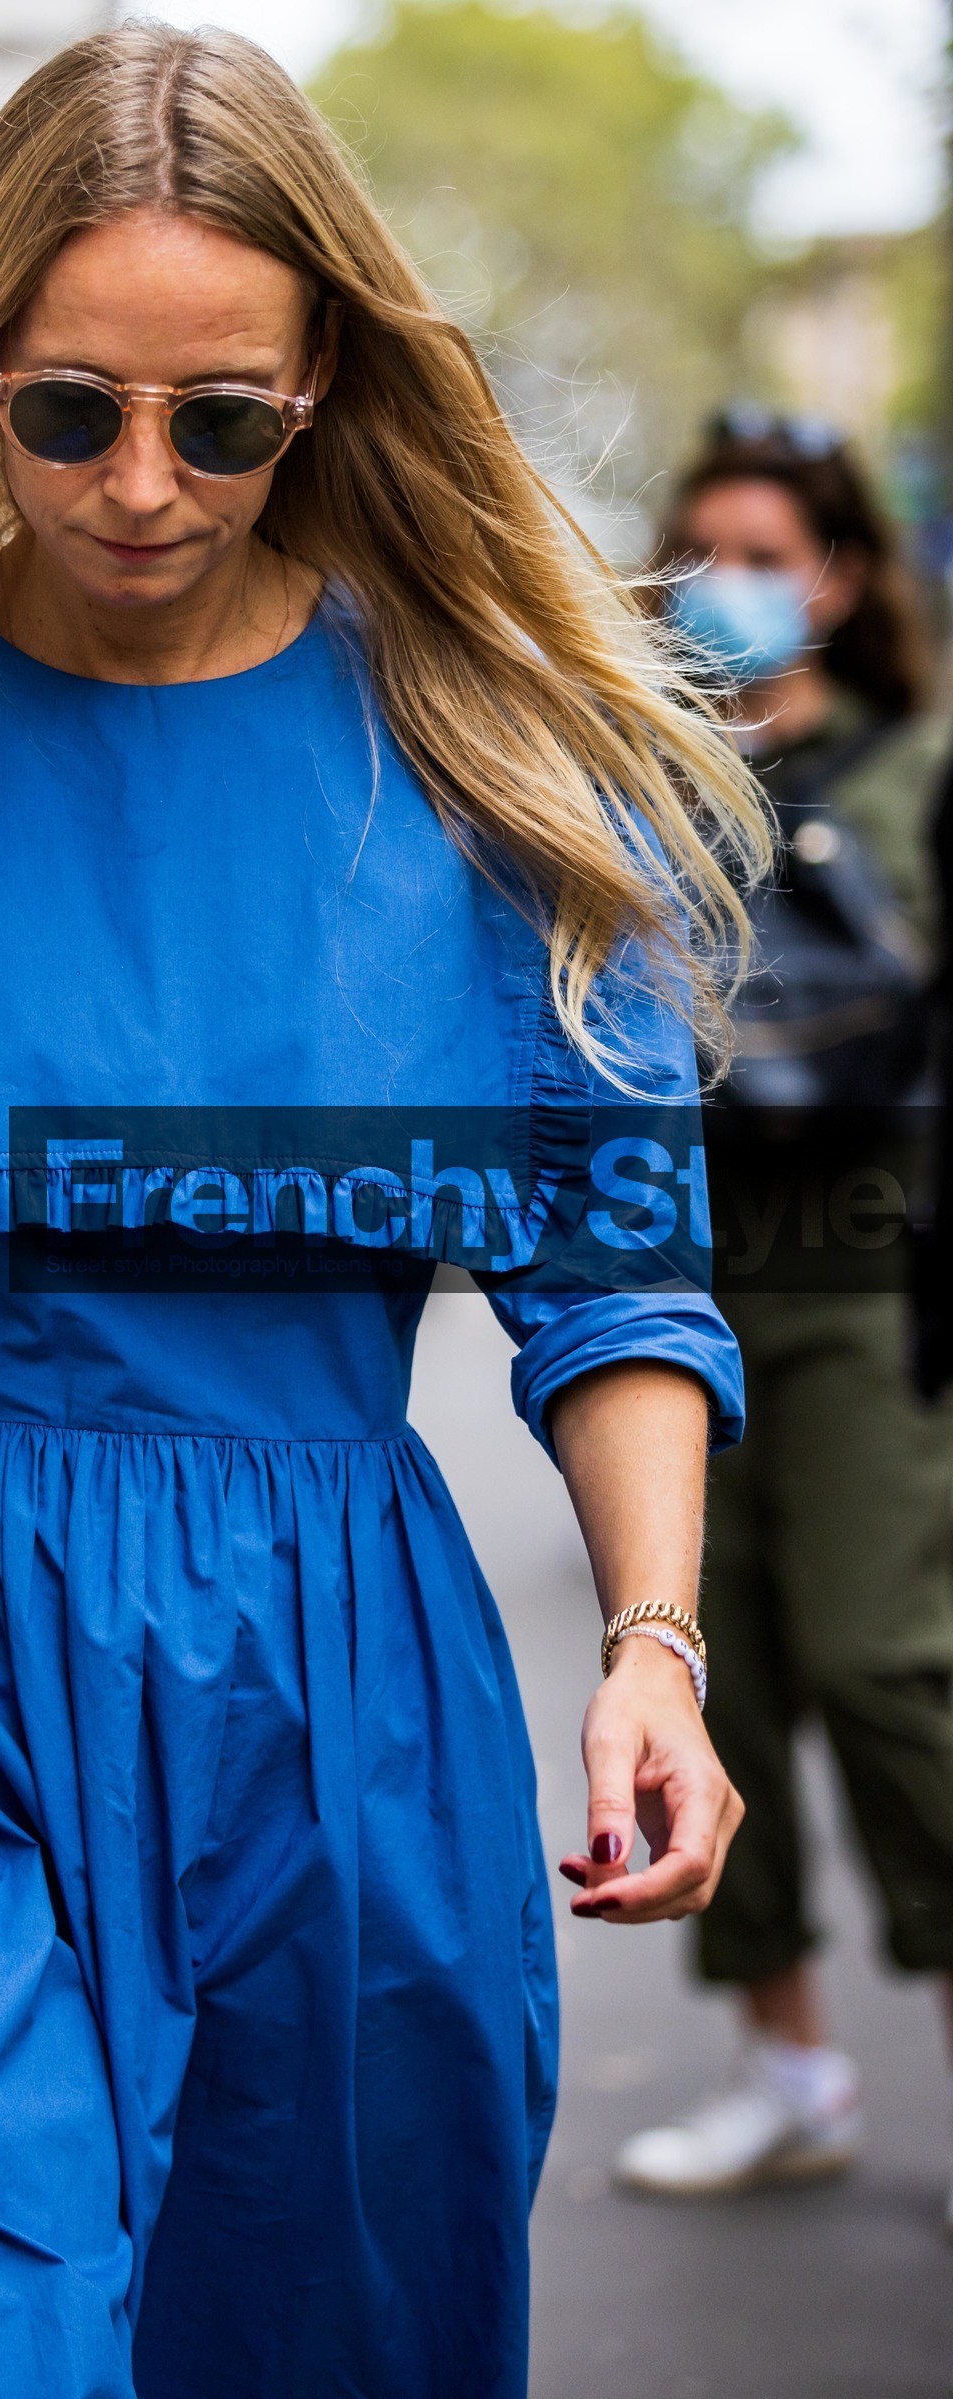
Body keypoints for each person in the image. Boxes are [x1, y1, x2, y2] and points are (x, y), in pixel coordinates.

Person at [0, 29, 762, 2397]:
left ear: (321, 394)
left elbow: (610, 1277)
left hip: (344, 1684)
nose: (137, 482)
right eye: (65, 408)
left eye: (218, 419)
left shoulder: (490, 761)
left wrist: (652, 1642)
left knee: (318, 2344)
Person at [614, 413, 953, 2210]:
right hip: (684, 1286)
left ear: (831, 574)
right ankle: (788, 2067)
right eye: (702, 554)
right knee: (707, 1683)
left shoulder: (914, 774)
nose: (728, 588)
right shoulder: (643, 778)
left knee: (895, 1673)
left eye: (763, 551)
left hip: (866, 1291)